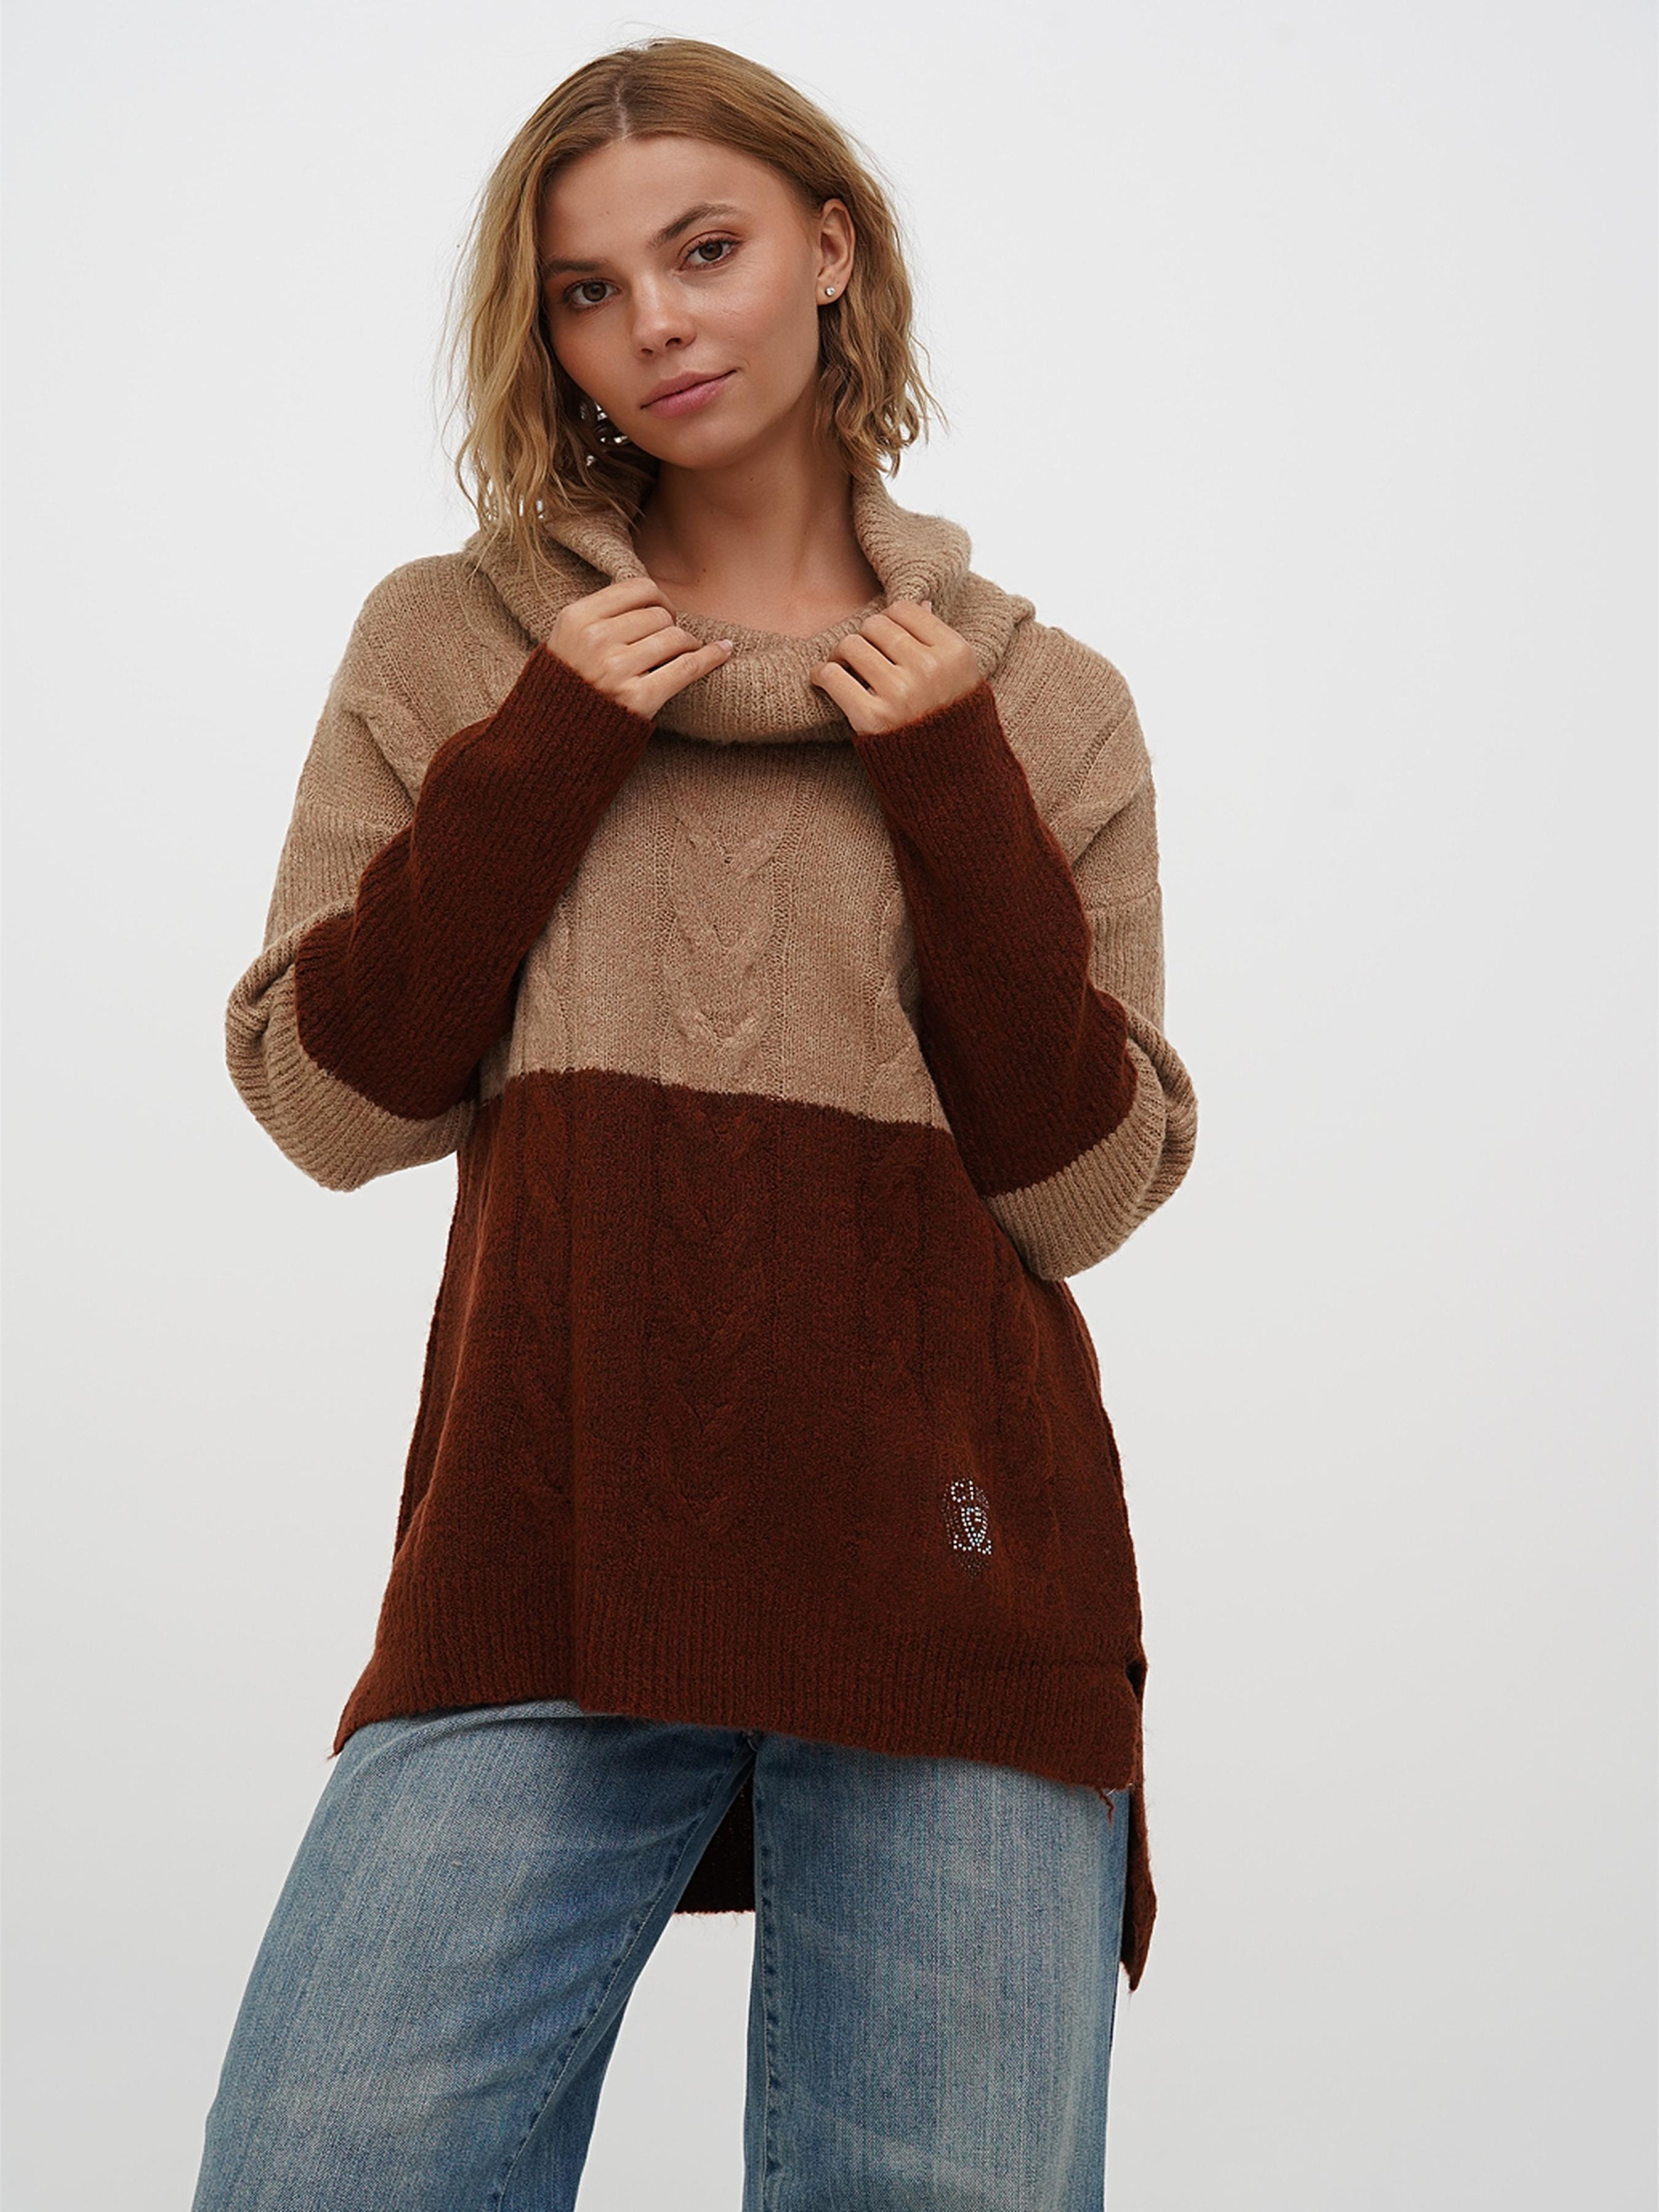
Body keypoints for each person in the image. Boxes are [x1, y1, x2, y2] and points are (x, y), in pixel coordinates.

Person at [193, 34, 1198, 2212]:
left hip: (954, 1580)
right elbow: (328, 1104)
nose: (651, 320)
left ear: (830, 251)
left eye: (705, 248)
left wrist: (950, 786)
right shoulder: (456, 644)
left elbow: (1082, 1186)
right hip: (544, 1560)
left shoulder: (1039, 702)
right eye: (586, 288)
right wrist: (545, 747)